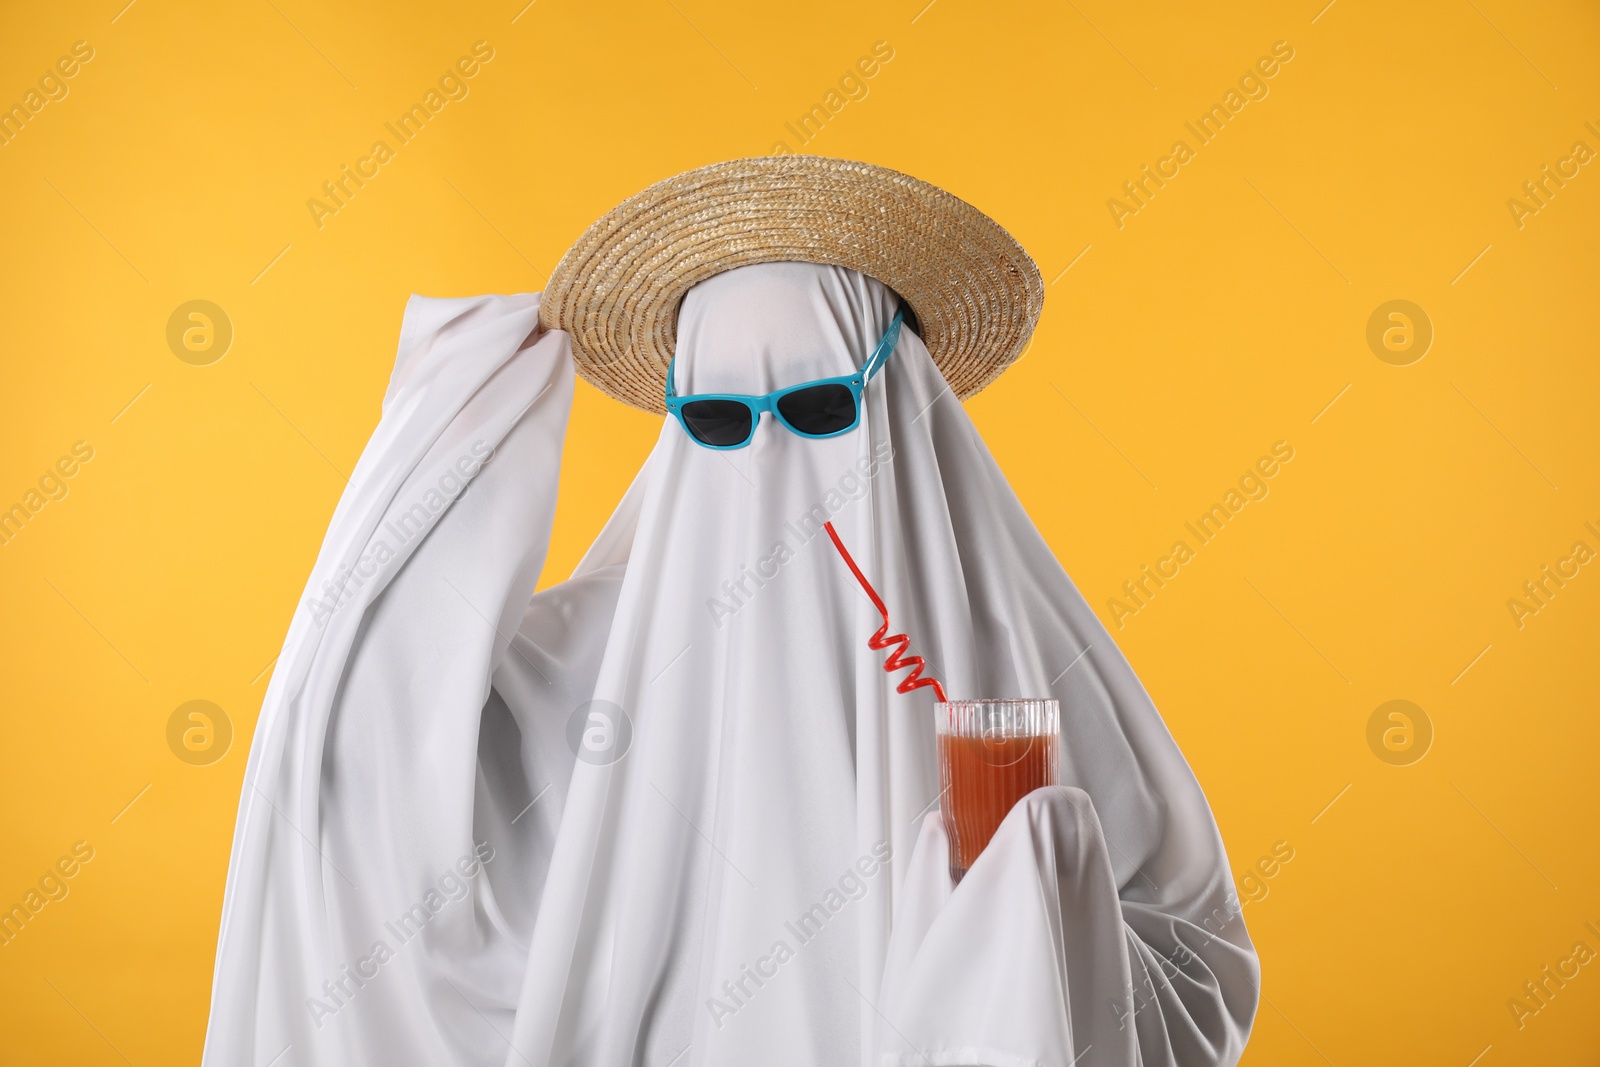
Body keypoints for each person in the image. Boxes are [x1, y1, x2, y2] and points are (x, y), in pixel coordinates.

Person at [203, 157, 1258, 1067]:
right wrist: (450, 416)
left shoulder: (1015, 662)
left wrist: (1040, 900)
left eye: (813, 408)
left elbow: (1194, 972)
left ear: (891, 398)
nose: (765, 455)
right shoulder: (596, 660)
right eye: (715, 416)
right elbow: (365, 755)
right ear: (676, 423)